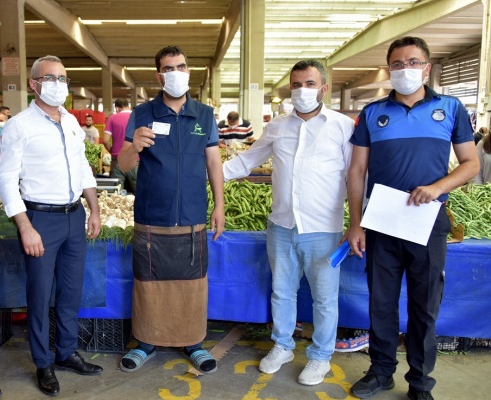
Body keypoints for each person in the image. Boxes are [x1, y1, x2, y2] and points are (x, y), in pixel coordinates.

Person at [346, 37, 479, 400]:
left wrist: (438, 187)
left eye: (413, 61)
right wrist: (355, 222)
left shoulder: (450, 108)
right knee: (381, 302)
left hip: (428, 221)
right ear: (389, 69)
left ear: (427, 67)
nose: (405, 69)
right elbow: (357, 171)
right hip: (382, 221)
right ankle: (381, 371)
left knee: (424, 305)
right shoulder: (373, 113)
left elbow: (471, 163)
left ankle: (420, 381)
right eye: (397, 63)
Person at [223, 60, 354, 386]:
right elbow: (246, 161)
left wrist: (358, 223)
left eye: (309, 84)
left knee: (325, 299)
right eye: (296, 85)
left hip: (323, 228)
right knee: (282, 292)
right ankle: (282, 346)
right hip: (281, 226)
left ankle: (321, 357)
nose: (302, 91)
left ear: (324, 88)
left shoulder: (342, 126)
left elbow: (356, 176)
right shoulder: (278, 126)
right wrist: (209, 174)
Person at [0, 55, 103, 397]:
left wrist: (94, 208)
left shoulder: (71, 120)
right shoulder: (20, 126)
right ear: (33, 84)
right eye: (50, 78)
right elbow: (6, 181)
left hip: (74, 217)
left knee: (70, 291)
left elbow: (83, 167)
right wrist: (25, 226)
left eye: (62, 78)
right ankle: (43, 363)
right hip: (40, 219)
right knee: (40, 295)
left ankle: (67, 352)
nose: (58, 84)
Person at [116, 45, 225, 373]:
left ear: (188, 71)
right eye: (168, 68)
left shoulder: (204, 115)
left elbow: (214, 163)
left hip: (192, 217)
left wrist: (219, 205)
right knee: (149, 281)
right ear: (158, 75)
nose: (175, 73)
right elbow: (121, 164)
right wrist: (134, 145)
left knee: (192, 281)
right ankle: (146, 341)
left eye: (180, 66)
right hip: (152, 216)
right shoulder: (142, 114)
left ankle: (193, 341)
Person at [103, 98, 132, 173]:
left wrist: (112, 151)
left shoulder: (112, 118)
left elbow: (105, 140)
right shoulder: (137, 117)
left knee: (117, 184)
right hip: (135, 159)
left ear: (116, 108)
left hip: (117, 159)